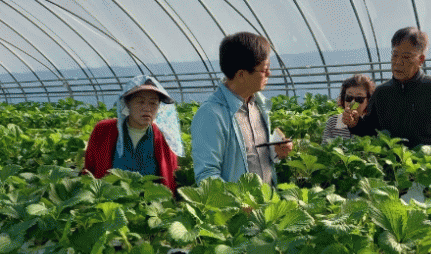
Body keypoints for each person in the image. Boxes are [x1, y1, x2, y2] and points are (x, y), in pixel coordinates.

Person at [191, 32, 292, 185]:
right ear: (241, 75)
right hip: (237, 201)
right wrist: (239, 199)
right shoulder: (210, 114)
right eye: (264, 69)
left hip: (266, 199)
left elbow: (252, 157)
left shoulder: (258, 105)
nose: (269, 73)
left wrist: (275, 152)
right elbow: (207, 176)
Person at [343, 27, 431, 146]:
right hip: (390, 158)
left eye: (406, 57)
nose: (398, 62)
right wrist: (355, 124)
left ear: (421, 60)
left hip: (425, 158)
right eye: (395, 55)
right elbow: (370, 132)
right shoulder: (381, 93)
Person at [83, 75, 183, 192]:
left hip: (150, 201)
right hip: (110, 199)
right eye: (140, 102)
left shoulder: (166, 138)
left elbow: (171, 177)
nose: (147, 108)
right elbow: (89, 171)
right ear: (127, 103)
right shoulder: (103, 130)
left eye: (153, 103)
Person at [321, 74, 375, 144]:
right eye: (349, 97)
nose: (353, 102)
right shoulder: (333, 122)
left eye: (359, 99)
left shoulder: (372, 122)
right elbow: (325, 147)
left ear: (368, 101)